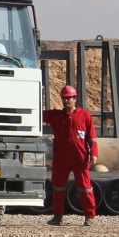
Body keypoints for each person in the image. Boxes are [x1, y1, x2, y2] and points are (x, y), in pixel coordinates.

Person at [42, 84, 97, 226]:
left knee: (85, 187)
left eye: (69, 98)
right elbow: (38, 114)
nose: (66, 101)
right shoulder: (56, 116)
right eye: (64, 98)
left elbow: (92, 137)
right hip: (61, 158)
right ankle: (57, 216)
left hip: (80, 157)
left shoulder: (85, 116)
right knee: (58, 187)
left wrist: (94, 153)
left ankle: (89, 216)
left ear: (75, 98)